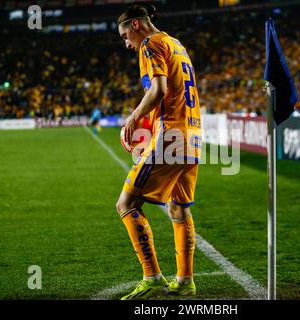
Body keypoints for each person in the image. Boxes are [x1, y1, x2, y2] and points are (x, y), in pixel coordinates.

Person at [115, 5, 202, 300]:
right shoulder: (176, 44)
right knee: (179, 207)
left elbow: (159, 90)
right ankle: (185, 280)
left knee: (126, 202)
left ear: (136, 24)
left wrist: (133, 117)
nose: (127, 44)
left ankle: (151, 276)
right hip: (193, 136)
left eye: (126, 36)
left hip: (172, 136)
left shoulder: (150, 44)